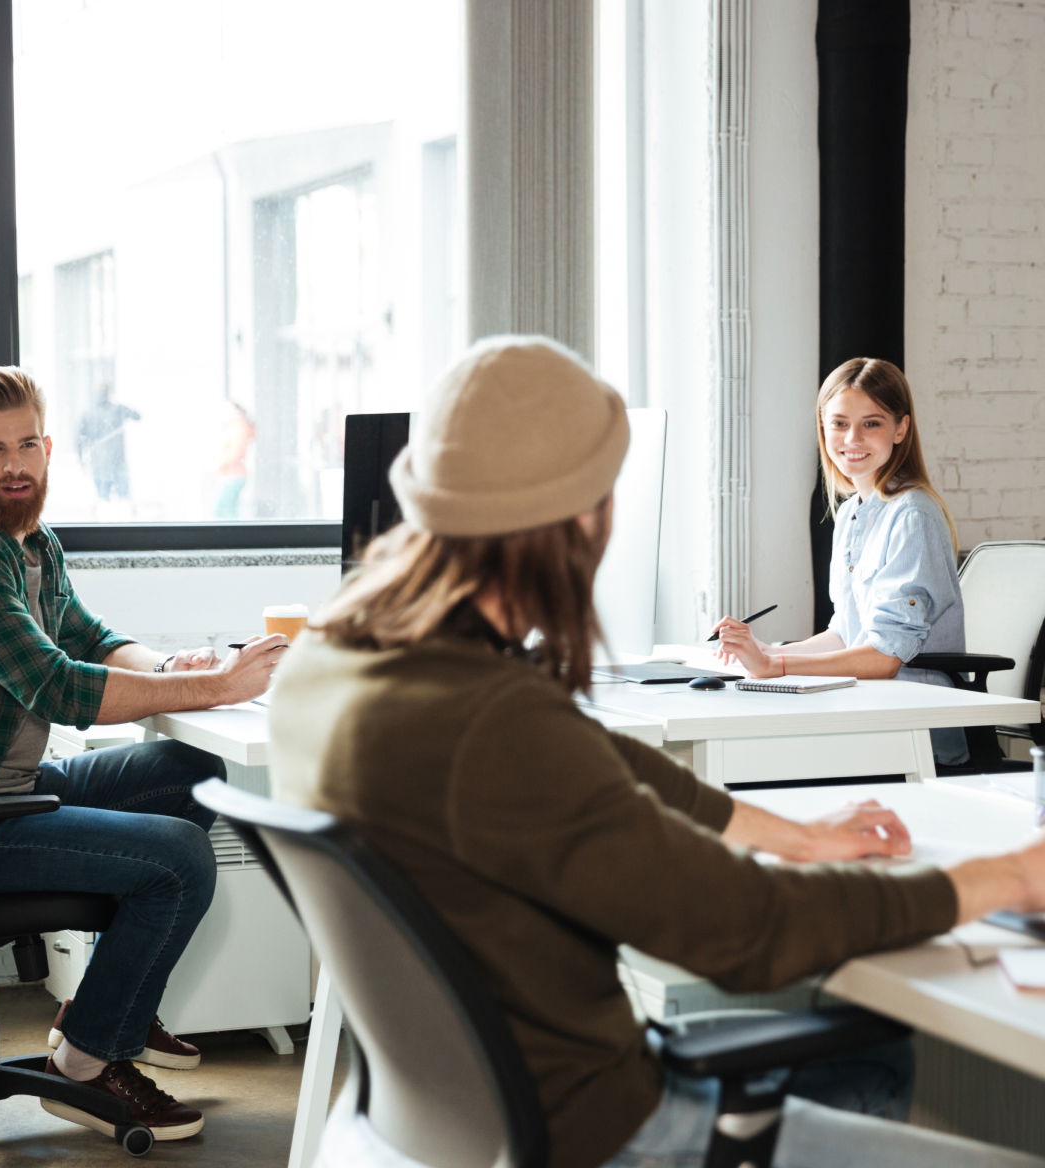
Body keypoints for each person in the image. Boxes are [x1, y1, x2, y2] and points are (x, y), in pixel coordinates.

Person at [265, 336, 1045, 1168]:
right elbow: (753, 931)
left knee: (870, 1050)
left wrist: (797, 836)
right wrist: (1000, 878)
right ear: (576, 516)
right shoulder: (494, 726)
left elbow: (595, 758)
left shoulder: (334, 662)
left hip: (433, 1121)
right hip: (604, 1130)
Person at [0, 366, 288, 1143]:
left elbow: (90, 639)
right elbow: (59, 686)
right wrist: (220, 689)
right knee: (179, 859)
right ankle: (85, 1067)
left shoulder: (28, 540)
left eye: (27, 443)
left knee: (191, 776)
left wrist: (176, 670)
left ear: (50, 446)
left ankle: (99, 1017)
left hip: (10, 786)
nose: (15, 465)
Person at [713, 357, 967, 765]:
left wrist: (776, 665)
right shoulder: (853, 513)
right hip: (864, 712)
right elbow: (846, 634)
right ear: (822, 427)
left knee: (749, 763)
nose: (852, 438)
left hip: (909, 732)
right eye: (839, 423)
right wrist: (760, 650)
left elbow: (884, 657)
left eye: (872, 423)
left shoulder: (912, 515)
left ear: (900, 428)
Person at [76, 380, 140, 503]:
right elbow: (79, 439)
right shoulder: (89, 413)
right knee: (105, 498)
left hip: (114, 462)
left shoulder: (118, 409)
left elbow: (137, 416)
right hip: (103, 463)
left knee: (118, 498)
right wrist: (81, 460)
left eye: (103, 391)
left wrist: (81, 460)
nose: (101, 394)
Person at [213, 400, 256, 518]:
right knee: (227, 511)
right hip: (232, 475)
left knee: (223, 512)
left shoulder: (240, 428)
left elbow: (237, 453)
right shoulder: (237, 428)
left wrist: (221, 465)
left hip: (234, 475)